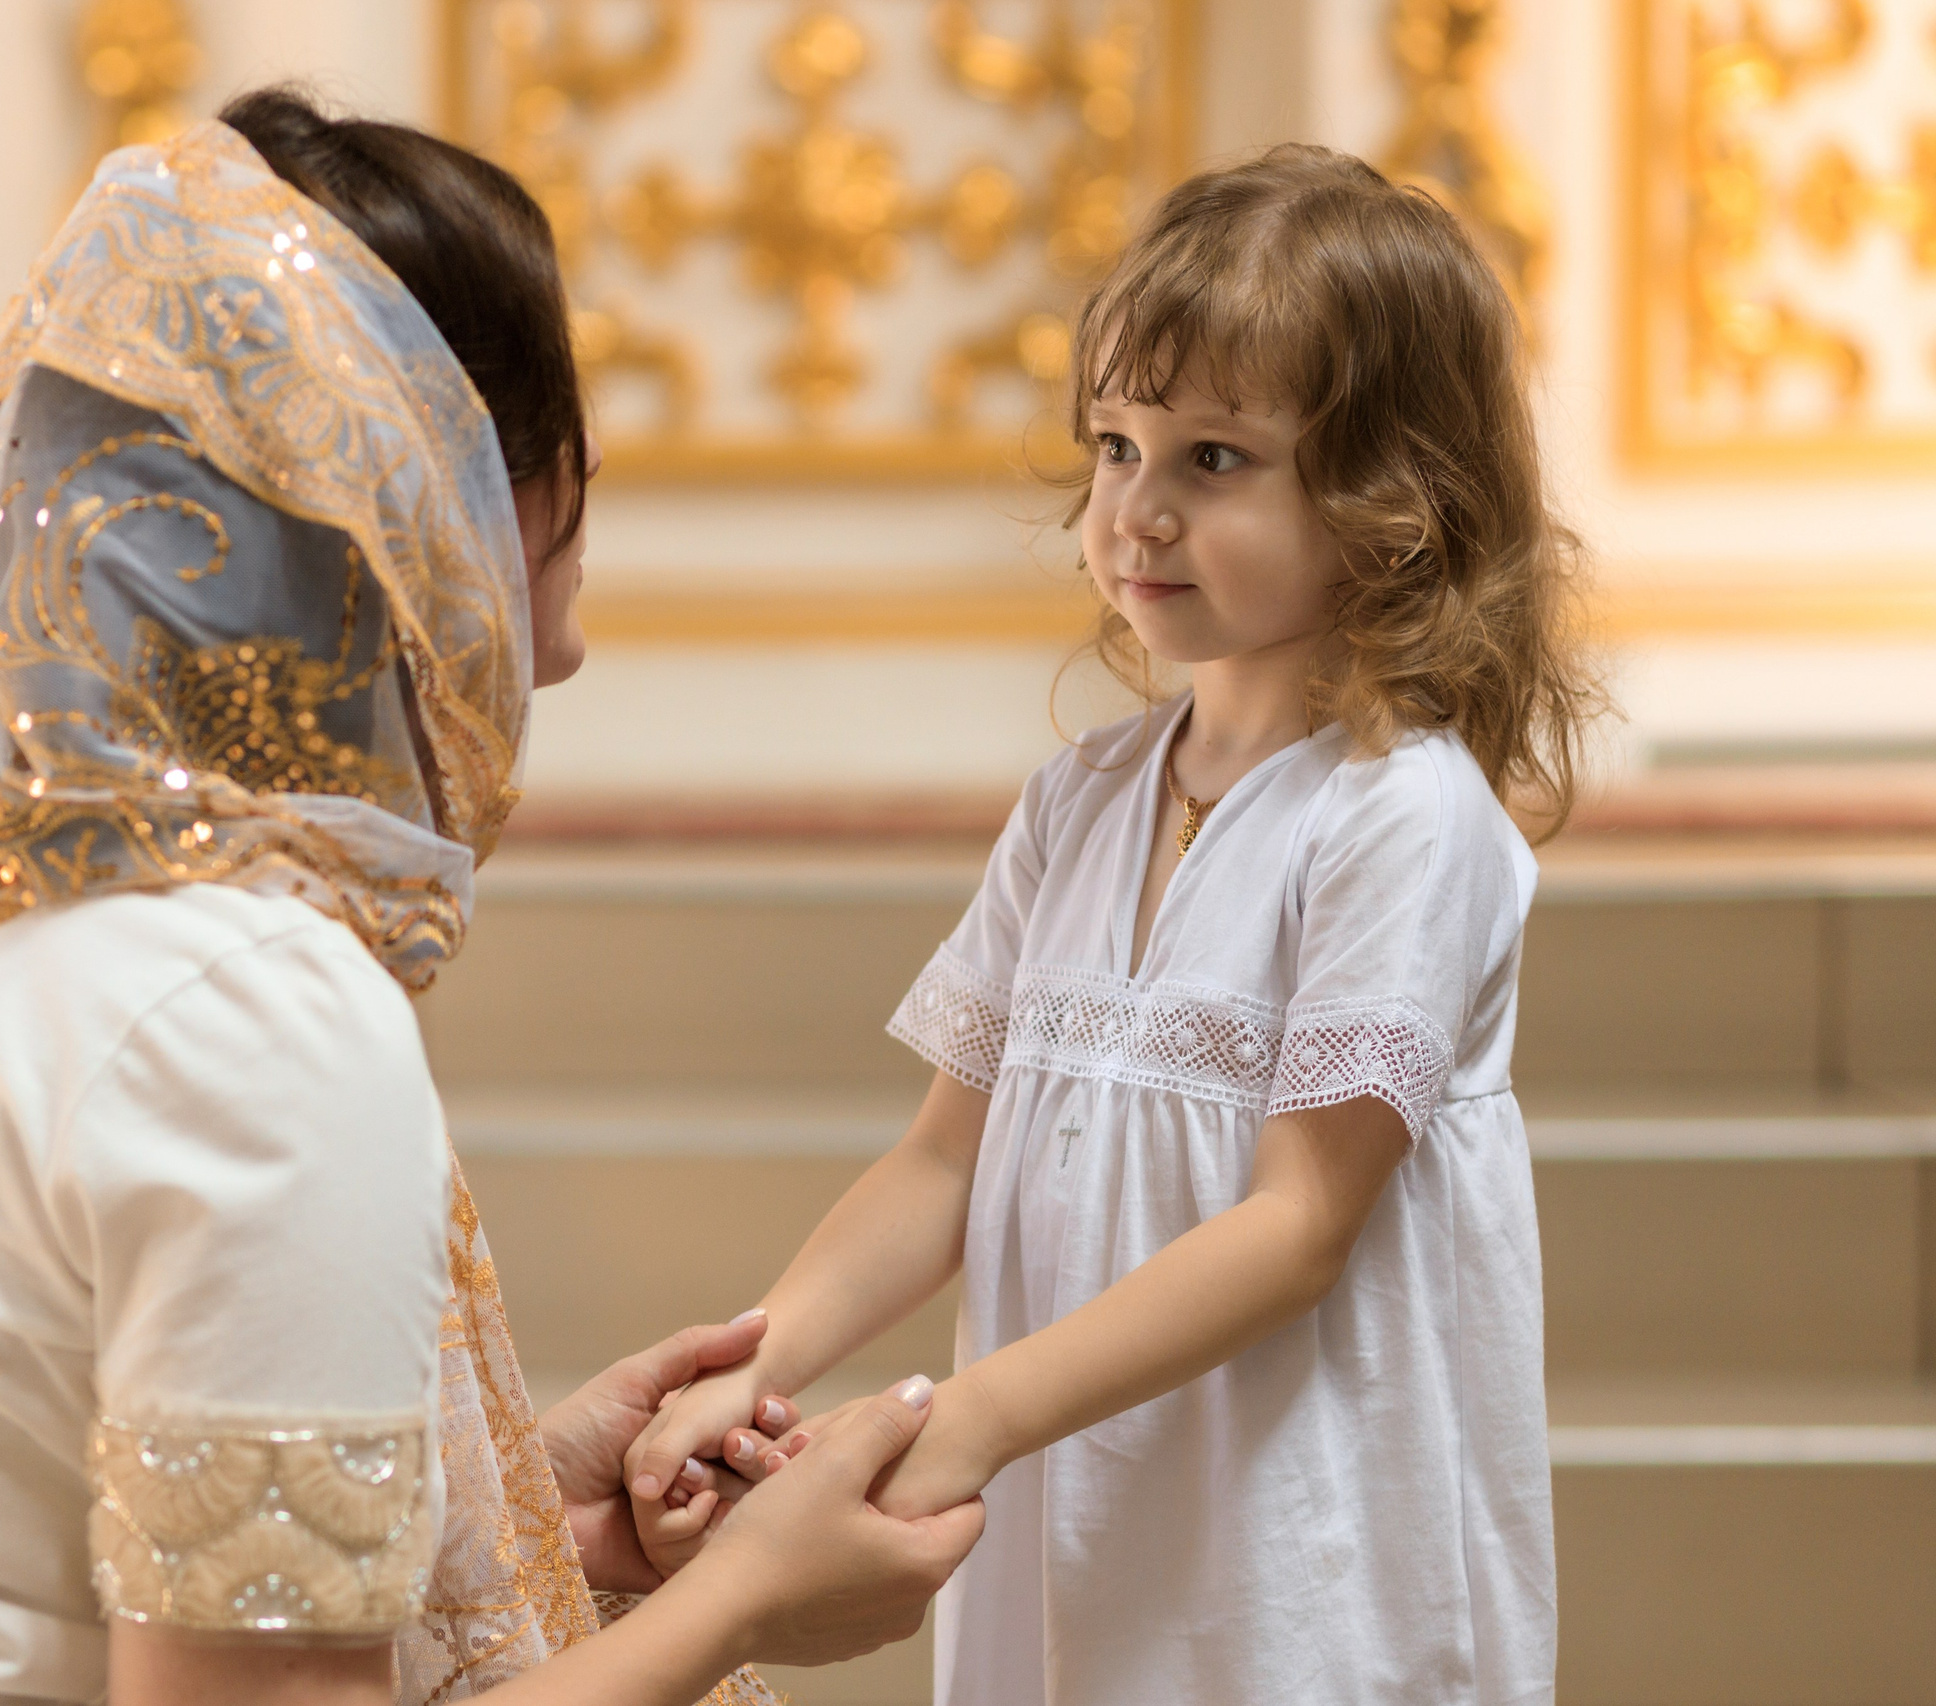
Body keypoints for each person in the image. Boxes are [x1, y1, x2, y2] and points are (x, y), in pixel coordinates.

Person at [0, 90, 981, 1706]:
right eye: (548, 494)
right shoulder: (252, 1006)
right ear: (422, 510)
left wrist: (506, 1504)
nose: (563, 632)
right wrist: (734, 1608)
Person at [628, 144, 1601, 1705]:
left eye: (1215, 457)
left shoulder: (1401, 816)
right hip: (1086, 1520)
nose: (1136, 511)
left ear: (1390, 500)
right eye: (1116, 444)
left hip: (1299, 1547)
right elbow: (946, 1156)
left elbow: (1297, 1229)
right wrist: (764, 1355)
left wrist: (980, 1414)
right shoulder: (1080, 801)